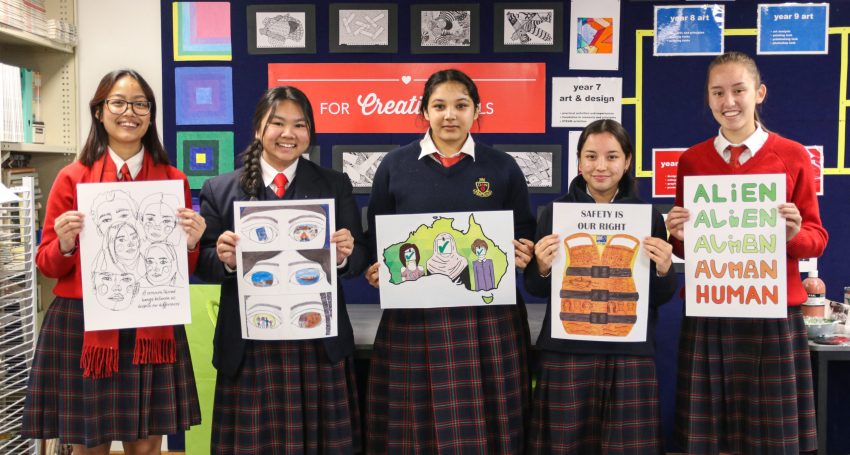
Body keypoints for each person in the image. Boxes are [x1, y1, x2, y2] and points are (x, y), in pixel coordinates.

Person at [22, 69, 204, 454]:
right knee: (90, 446)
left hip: (152, 323)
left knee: (147, 446)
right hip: (83, 325)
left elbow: (179, 272)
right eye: (118, 103)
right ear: (99, 111)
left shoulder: (173, 180)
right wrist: (65, 244)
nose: (129, 112)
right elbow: (47, 265)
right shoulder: (72, 178)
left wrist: (190, 244)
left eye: (140, 104)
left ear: (151, 115)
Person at [364, 68, 536, 453]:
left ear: (476, 110)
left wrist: (524, 251)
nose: (450, 115)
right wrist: (378, 268)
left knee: (491, 421)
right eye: (439, 106)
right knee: (413, 423)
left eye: (461, 105)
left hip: (488, 316)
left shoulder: (502, 166)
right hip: (415, 317)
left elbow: (524, 229)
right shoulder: (394, 165)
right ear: (424, 111)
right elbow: (376, 236)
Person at [665, 51, 828, 454]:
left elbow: (817, 238)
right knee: (708, 437)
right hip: (711, 310)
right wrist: (677, 235)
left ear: (760, 93)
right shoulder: (692, 160)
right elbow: (691, 246)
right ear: (708, 97)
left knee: (773, 438)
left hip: (772, 312)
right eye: (718, 92)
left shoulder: (793, 155)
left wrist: (792, 235)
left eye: (738, 90)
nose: (728, 101)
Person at [195, 86, 367, 454]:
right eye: (278, 123)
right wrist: (224, 260)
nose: (289, 134)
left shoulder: (334, 184)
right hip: (249, 346)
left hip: (318, 341)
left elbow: (360, 258)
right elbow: (202, 264)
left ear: (310, 133)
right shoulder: (220, 189)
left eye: (300, 125)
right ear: (259, 128)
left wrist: (343, 256)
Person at [523, 119, 677, 454]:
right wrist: (542, 267)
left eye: (612, 156)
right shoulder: (554, 214)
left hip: (628, 352)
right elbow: (535, 288)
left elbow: (660, 296)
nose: (601, 166)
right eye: (591, 156)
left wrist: (665, 269)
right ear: (579, 161)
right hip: (566, 349)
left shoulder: (648, 217)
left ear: (627, 161)